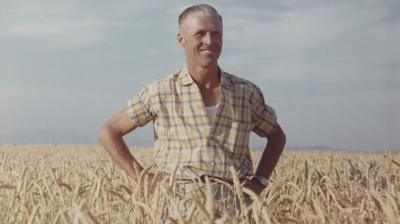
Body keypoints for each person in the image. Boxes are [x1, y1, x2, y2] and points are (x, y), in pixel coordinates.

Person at [98, 4, 286, 198]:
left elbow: (277, 137)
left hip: (236, 204)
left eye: (216, 34)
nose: (210, 41)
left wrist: (259, 181)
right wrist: (143, 178)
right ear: (182, 40)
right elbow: (109, 132)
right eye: (200, 34)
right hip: (176, 206)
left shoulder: (246, 93)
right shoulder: (161, 91)